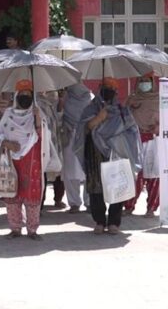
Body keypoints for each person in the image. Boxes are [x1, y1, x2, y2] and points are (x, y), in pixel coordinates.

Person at [81, 77, 142, 235]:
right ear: (100, 88)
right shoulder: (90, 108)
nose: (108, 91)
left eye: (112, 88)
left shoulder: (122, 110)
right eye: (105, 87)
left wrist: (117, 135)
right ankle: (100, 221)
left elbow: (132, 131)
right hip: (95, 153)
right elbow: (84, 128)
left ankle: (114, 222)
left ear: (116, 92)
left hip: (116, 153)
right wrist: (99, 118)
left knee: (117, 185)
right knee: (96, 188)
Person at [0, 80, 44, 241]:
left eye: (28, 95)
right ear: (16, 96)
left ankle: (32, 229)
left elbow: (43, 138)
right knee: (12, 192)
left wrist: (38, 120)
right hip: (10, 159)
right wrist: (5, 143)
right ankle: (15, 228)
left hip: (31, 159)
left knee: (31, 194)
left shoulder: (37, 113)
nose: (25, 98)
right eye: (22, 95)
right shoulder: (9, 114)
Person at [123, 72, 160, 218]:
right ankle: (128, 206)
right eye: (142, 81)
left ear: (152, 83)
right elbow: (123, 117)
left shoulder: (159, 100)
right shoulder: (132, 98)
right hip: (134, 140)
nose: (145, 84)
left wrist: (159, 126)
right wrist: (129, 106)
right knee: (133, 175)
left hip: (153, 141)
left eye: (147, 81)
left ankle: (151, 208)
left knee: (153, 175)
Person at [62, 83, 94, 213]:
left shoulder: (91, 99)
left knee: (88, 170)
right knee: (70, 171)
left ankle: (88, 201)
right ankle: (74, 202)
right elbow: (60, 116)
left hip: (86, 137)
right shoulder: (66, 98)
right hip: (69, 137)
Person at [38, 90, 65, 209]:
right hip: (42, 143)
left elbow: (57, 121)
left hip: (55, 141)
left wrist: (60, 104)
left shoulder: (51, 105)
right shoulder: (37, 104)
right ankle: (39, 204)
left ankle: (58, 199)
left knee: (58, 170)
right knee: (41, 173)